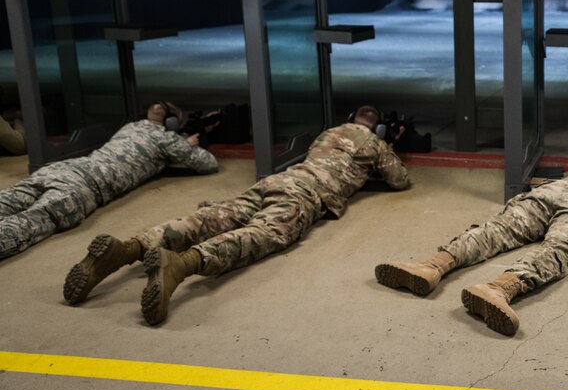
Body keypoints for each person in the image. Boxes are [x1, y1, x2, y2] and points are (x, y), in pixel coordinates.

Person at [63, 105, 410, 326]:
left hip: (274, 181)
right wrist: (390, 147)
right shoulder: (374, 145)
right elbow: (399, 181)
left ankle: (127, 248)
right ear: (377, 129)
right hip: (306, 194)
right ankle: (181, 265)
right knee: (262, 235)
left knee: (209, 218)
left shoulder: (329, 133)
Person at [374, 116, 568, 336]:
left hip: (551, 190)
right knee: (559, 249)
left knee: (497, 230)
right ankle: (498, 289)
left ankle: (432, 266)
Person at [0, 102, 218, 260]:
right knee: (28, 224)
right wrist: (187, 144)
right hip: (82, 187)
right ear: (170, 123)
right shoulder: (166, 138)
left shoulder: (129, 127)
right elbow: (208, 164)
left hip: (57, 169)